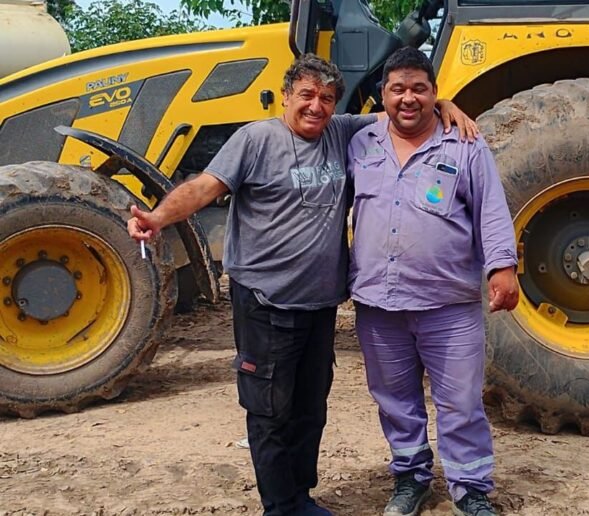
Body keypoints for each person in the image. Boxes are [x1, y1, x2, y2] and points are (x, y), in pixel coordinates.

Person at [126, 53, 476, 516]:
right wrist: (156, 217)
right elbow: (205, 187)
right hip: (267, 301)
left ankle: (301, 497)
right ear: (287, 96)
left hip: (319, 304)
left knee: (310, 407)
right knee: (270, 409)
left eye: (327, 98)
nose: (317, 107)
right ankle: (282, 506)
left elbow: (401, 107)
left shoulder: (341, 131)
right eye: (307, 95)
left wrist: (444, 104)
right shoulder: (256, 139)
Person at [347, 47, 519, 516]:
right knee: (395, 401)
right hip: (379, 305)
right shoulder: (360, 142)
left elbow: (491, 210)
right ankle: (410, 479)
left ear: (435, 94)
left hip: (449, 305)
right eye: (398, 89)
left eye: (419, 89)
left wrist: (502, 266)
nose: (408, 99)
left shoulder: (465, 144)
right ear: (382, 94)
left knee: (461, 402)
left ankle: (471, 488)